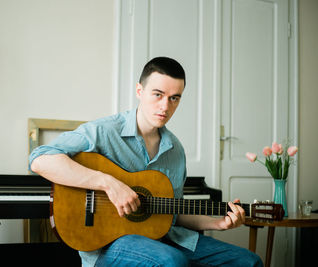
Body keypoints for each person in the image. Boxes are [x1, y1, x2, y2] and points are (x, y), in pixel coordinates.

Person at [29, 57, 263, 267]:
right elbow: (39, 159)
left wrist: (217, 224)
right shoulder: (104, 131)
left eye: (174, 98)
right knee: (172, 261)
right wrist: (109, 184)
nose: (165, 106)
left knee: (248, 261)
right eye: (158, 94)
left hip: (166, 237)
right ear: (140, 91)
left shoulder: (176, 150)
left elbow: (173, 211)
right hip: (109, 244)